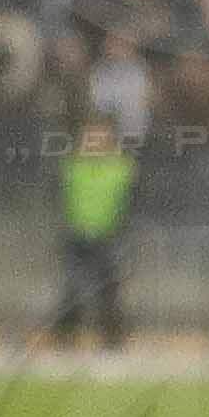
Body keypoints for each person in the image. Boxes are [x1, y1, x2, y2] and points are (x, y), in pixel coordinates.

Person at [56, 115, 136, 348]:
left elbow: (132, 195)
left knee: (109, 290)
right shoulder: (72, 167)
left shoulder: (121, 168)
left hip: (110, 236)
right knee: (72, 288)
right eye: (89, 137)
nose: (94, 142)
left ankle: (112, 339)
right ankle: (66, 337)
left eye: (100, 137)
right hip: (77, 236)